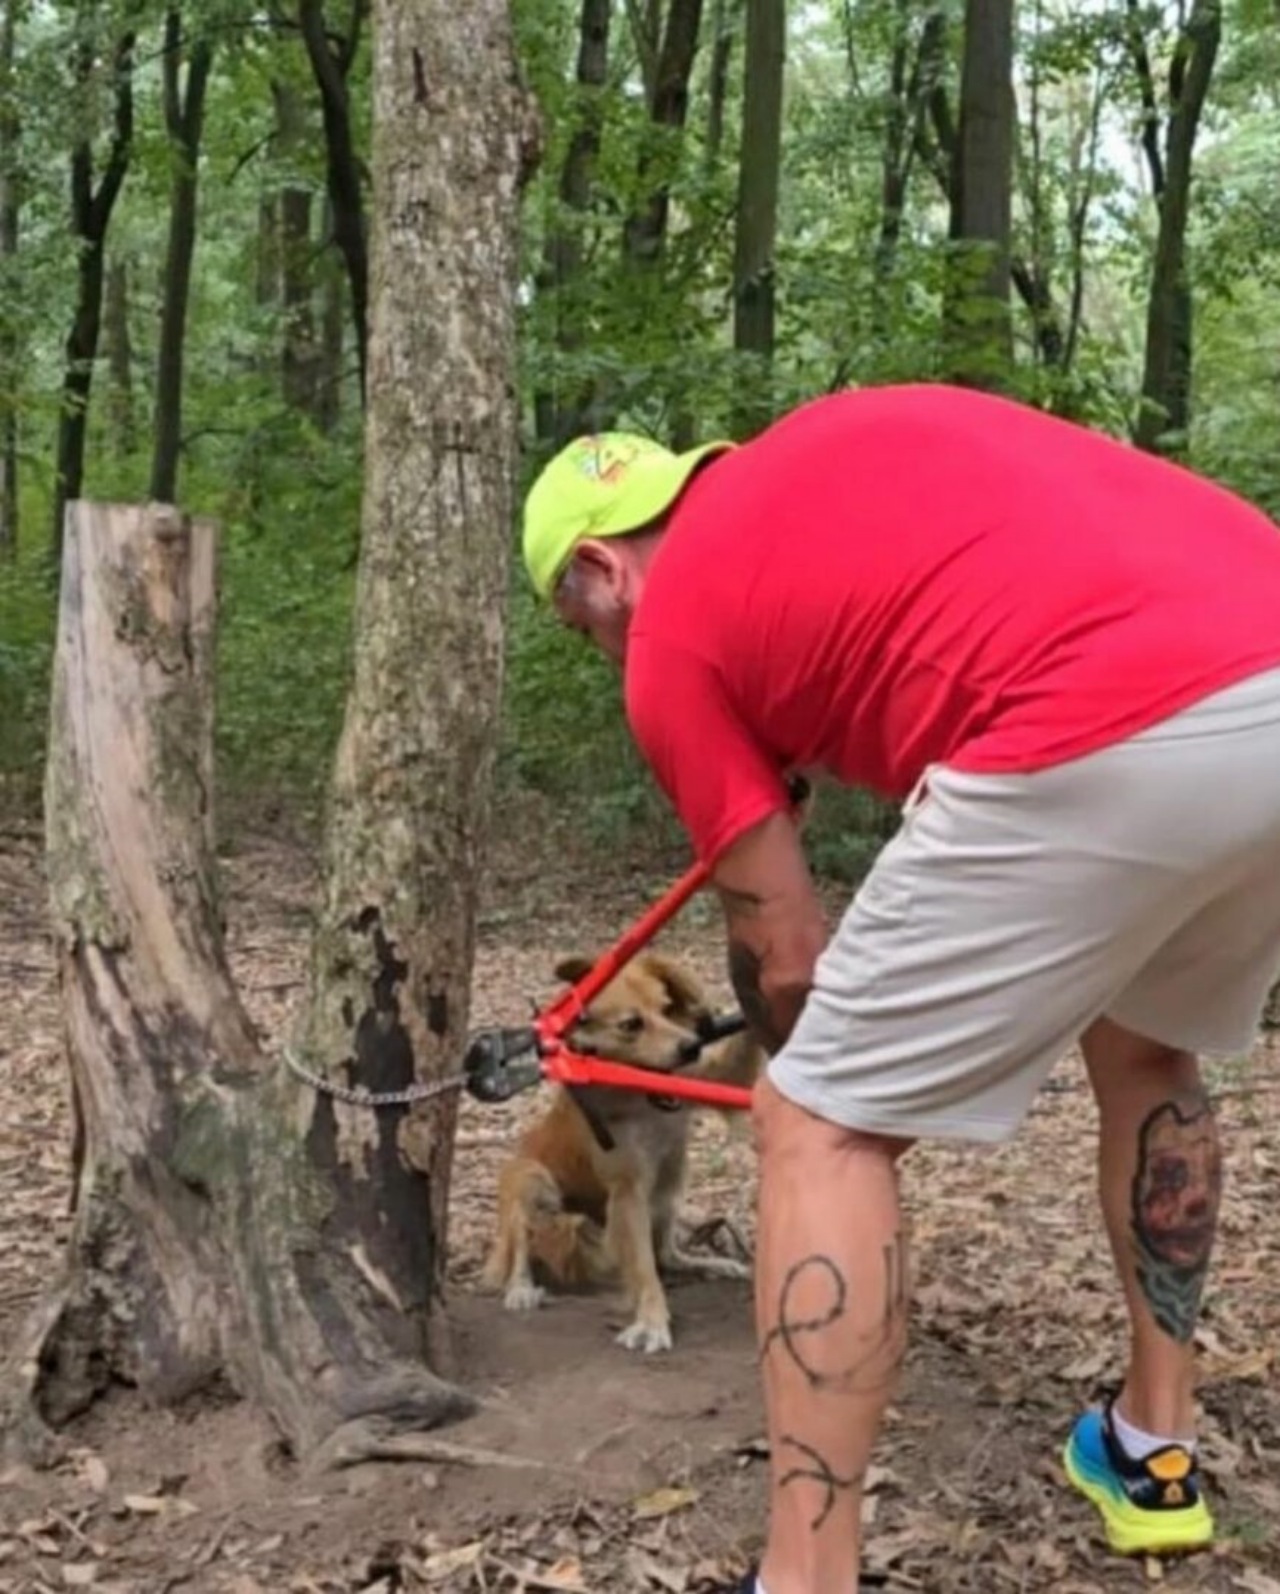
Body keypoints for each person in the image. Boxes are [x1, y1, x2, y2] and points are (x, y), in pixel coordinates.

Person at [519, 384, 1280, 1594]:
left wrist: (808, 1084)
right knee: (1146, 1056)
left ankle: (803, 1578)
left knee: (815, 1127)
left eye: (587, 629)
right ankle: (1151, 1452)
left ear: (604, 570)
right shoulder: (828, 450)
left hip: (1098, 711)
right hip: (1263, 662)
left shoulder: (667, 642)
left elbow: (787, 951)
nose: (608, 653)